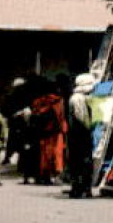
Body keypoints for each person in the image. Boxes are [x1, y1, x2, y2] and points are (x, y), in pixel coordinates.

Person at [66, 70, 97, 198]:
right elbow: (81, 117)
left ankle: (81, 188)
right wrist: (90, 126)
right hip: (80, 133)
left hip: (78, 134)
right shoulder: (78, 98)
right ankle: (81, 188)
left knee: (80, 162)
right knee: (81, 161)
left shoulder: (81, 97)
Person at [30, 77, 66, 188]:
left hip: (42, 133)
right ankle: (57, 175)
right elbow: (61, 117)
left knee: (44, 156)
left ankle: (44, 176)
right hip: (56, 132)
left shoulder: (38, 102)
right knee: (57, 154)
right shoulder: (58, 101)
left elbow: (34, 116)